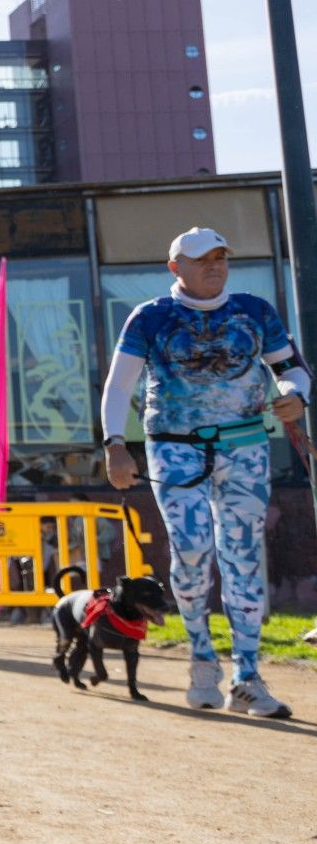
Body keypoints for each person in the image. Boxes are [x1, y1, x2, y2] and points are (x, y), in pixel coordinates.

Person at [103, 227, 307, 720]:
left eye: (220, 257)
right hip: (174, 449)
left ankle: (248, 676)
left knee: (243, 557)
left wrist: (296, 394)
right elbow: (117, 385)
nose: (214, 266)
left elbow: (293, 368)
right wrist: (115, 446)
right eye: (201, 259)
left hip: (245, 446)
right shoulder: (150, 317)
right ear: (176, 268)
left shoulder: (255, 311)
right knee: (192, 548)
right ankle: (200, 658)